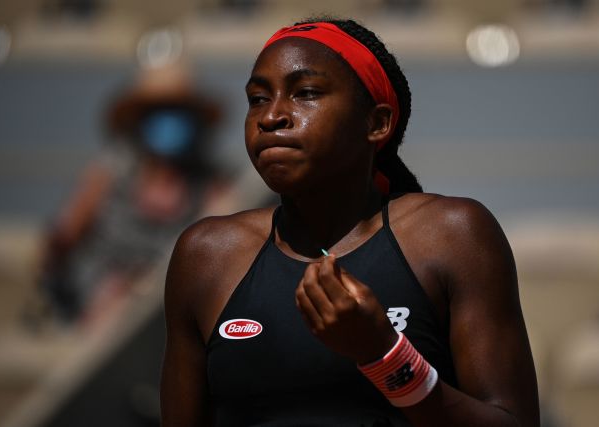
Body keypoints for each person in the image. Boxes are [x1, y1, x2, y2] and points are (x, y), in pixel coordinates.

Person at [161, 18, 539, 426]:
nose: (271, 116)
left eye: (306, 93)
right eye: (257, 98)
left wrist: (385, 355)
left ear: (377, 123)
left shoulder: (453, 235)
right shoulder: (207, 255)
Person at [34, 65, 224, 329]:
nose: (169, 121)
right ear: (140, 121)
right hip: (97, 307)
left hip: (164, 309)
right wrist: (56, 293)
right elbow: (63, 236)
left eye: (178, 112)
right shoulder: (110, 172)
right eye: (158, 112)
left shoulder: (208, 184)